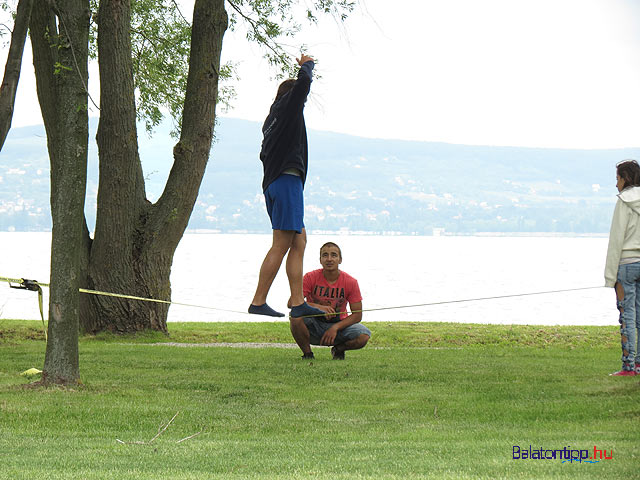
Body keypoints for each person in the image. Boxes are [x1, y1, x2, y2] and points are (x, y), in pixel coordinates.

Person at [248, 54, 325, 320]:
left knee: (299, 240)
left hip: (276, 185)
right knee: (281, 244)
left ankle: (297, 299)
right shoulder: (287, 110)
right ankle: (259, 300)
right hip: (286, 181)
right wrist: (307, 64)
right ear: (289, 98)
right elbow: (303, 85)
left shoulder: (271, 122)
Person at [289, 242, 371, 360]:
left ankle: (338, 349)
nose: (329, 259)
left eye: (333, 255)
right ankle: (308, 354)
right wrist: (319, 307)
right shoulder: (309, 277)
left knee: (364, 335)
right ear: (320, 260)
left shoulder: (351, 282)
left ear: (340, 259)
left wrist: (335, 328)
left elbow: (357, 315)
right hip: (314, 324)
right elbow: (292, 303)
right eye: (325, 255)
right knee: (295, 316)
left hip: (339, 326)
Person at [604, 159, 640, 376]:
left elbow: (616, 240)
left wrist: (610, 277)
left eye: (617, 178)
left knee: (627, 315)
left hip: (627, 265)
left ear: (625, 178)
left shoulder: (624, 201)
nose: (616, 184)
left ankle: (628, 365)